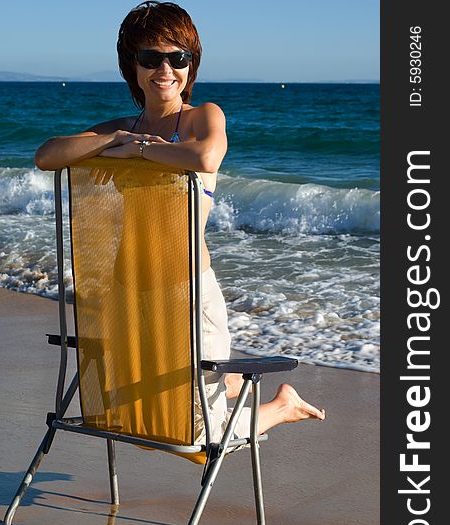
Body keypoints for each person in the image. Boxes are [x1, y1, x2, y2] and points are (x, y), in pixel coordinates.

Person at [34, 1, 325, 444]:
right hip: (129, 290)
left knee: (194, 435)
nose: (165, 69)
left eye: (178, 58)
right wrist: (115, 139)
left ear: (191, 64)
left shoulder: (201, 117)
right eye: (151, 58)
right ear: (132, 66)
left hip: (187, 289)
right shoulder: (121, 127)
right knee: (137, 409)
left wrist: (139, 151)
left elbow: (206, 155)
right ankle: (225, 386)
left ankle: (279, 407)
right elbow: (48, 155)